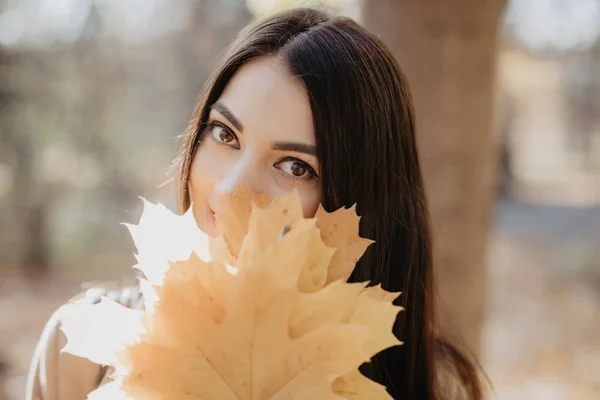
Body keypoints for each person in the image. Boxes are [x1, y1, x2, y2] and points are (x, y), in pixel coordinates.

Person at [26, 7, 482, 400]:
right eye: (225, 135)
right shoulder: (83, 349)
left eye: (295, 167)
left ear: (365, 204)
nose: (229, 191)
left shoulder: (435, 386)